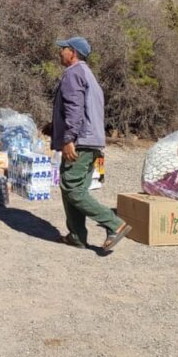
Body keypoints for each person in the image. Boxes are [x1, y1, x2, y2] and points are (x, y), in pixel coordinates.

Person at [51, 36, 131, 252]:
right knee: (73, 187)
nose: (61, 53)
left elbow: (74, 108)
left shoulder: (73, 74)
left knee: (72, 188)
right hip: (93, 141)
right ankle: (77, 235)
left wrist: (68, 138)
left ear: (73, 53)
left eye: (64, 49)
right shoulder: (88, 75)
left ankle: (114, 224)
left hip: (80, 141)